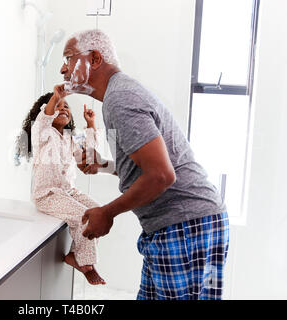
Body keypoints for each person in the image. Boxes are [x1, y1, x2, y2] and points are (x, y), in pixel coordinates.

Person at [59, 29, 229, 300]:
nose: (62, 70)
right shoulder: (115, 98)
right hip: (177, 225)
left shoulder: (120, 98)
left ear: (94, 59)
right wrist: (101, 164)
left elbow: (161, 175)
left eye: (68, 59)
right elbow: (143, 165)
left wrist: (108, 212)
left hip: (185, 224)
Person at [15, 87, 106, 285]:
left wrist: (90, 123)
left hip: (68, 192)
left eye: (66, 107)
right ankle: (85, 263)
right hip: (47, 194)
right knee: (85, 217)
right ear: (47, 111)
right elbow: (43, 118)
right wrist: (57, 96)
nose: (63, 108)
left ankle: (75, 254)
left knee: (98, 212)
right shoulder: (42, 133)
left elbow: (91, 156)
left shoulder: (72, 136)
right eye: (58, 107)